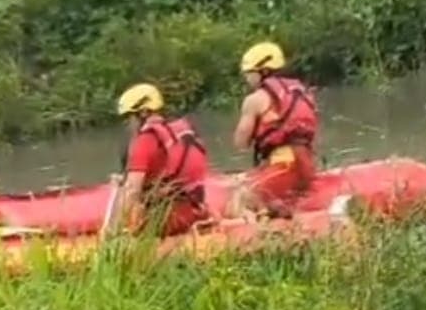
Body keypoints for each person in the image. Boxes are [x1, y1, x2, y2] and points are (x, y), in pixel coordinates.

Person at [105, 83, 210, 237]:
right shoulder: (183, 129)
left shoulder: (144, 141)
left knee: (123, 192)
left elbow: (132, 191)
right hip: (196, 210)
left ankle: (115, 238)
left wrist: (113, 231)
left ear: (143, 113)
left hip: (166, 220)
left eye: (129, 117)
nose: (128, 124)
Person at [228, 41, 320, 218]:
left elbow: (240, 143)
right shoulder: (302, 91)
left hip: (284, 165)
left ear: (262, 71)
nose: (247, 78)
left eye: (249, 73)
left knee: (239, 199)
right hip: (307, 164)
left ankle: (255, 237)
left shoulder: (254, 100)